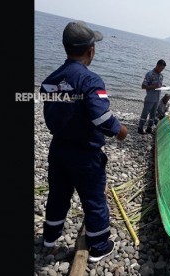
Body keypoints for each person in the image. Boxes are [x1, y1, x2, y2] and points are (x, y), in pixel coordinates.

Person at [39, 21, 128, 263]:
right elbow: (101, 117)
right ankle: (99, 246)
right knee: (93, 198)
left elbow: (52, 112)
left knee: (58, 194)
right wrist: (120, 130)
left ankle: (49, 237)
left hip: (58, 150)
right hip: (85, 155)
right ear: (91, 51)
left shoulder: (50, 80)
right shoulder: (91, 81)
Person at [138, 59, 166, 134]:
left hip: (157, 98)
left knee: (153, 115)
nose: (162, 70)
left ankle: (149, 128)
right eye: (161, 68)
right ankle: (140, 128)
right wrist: (153, 86)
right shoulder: (149, 74)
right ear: (157, 65)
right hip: (150, 98)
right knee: (145, 113)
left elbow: (158, 86)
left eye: (163, 69)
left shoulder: (161, 76)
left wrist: (162, 86)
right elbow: (143, 86)